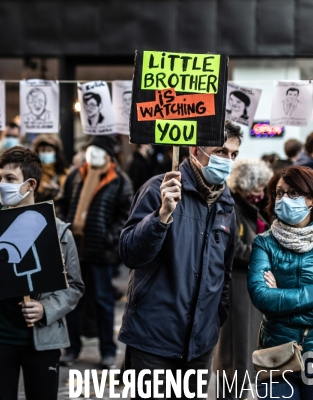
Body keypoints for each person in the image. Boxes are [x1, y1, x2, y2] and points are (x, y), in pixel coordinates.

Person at [118, 120, 243, 397]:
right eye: (220, 151)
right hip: (153, 338)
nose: (227, 160)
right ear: (195, 150)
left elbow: (225, 271)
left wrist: (215, 317)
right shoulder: (157, 189)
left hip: (200, 343)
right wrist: (161, 216)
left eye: (233, 154)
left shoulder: (226, 204)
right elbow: (129, 253)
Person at [0, 146, 84, 400]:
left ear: (30, 184)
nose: (1, 186)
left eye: (10, 179)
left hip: (43, 343)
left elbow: (74, 287)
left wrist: (46, 309)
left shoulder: (59, 232)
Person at [248, 165, 313, 398]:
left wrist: (281, 305)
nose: (284, 199)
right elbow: (262, 297)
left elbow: (273, 302)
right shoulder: (264, 243)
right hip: (276, 354)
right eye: (279, 193)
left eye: (293, 194)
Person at [57, 135, 133, 368]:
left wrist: (107, 238)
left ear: (109, 155)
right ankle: (71, 349)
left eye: (97, 149)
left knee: (103, 302)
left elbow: (125, 215)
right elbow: (61, 202)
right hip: (73, 251)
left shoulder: (120, 181)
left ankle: (107, 351)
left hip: (100, 253)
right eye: (90, 149)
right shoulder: (75, 175)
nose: (91, 153)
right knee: (71, 303)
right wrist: (62, 228)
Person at [213, 158, 272, 399]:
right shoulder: (231, 208)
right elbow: (234, 249)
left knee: (245, 349)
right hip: (237, 287)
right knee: (236, 350)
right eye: (256, 189)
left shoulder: (247, 208)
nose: (260, 194)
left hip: (248, 286)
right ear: (243, 187)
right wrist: (265, 256)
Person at [31, 134, 68, 203]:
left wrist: (57, 190)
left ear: (56, 153)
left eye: (49, 150)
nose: (46, 153)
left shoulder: (64, 174)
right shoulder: (30, 173)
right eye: (43, 150)